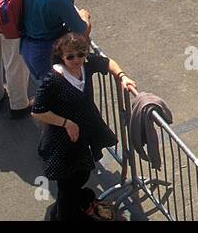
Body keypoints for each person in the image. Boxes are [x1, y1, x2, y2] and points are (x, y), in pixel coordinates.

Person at [31, 31, 136, 220]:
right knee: (67, 185)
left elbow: (106, 62)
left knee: (82, 174)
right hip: (61, 142)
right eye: (70, 56)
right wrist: (66, 123)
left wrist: (122, 77)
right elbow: (37, 110)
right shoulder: (54, 79)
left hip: (81, 137)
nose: (76, 59)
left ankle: (75, 204)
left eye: (81, 54)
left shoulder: (85, 67)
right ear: (62, 57)